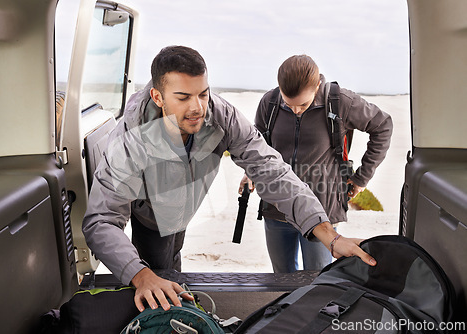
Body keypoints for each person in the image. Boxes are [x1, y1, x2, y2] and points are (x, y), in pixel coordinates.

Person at [82, 46, 377, 313]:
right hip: (151, 217)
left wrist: (330, 235)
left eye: (203, 93)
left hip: (182, 210)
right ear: (157, 97)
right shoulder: (128, 141)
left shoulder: (222, 116)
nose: (197, 107)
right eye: (183, 97)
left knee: (174, 265)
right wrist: (140, 275)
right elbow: (101, 221)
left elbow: (271, 169)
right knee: (157, 279)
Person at [239, 54, 393, 273]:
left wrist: (362, 177)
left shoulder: (341, 102)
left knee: (317, 280)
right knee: (282, 280)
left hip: (322, 209)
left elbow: (383, 125)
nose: (295, 110)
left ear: (318, 86)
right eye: (288, 104)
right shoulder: (269, 103)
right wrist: (252, 172)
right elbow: (258, 145)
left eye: (302, 104)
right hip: (276, 208)